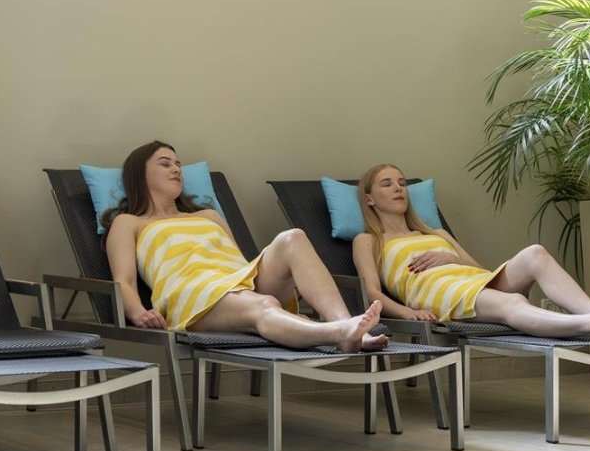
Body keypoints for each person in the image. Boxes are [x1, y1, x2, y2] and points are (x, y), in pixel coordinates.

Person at [104, 142, 387, 352]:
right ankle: (336, 332)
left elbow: (238, 263)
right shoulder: (129, 223)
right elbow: (124, 281)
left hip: (237, 283)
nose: (176, 169)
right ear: (139, 175)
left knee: (293, 237)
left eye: (178, 164)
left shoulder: (208, 216)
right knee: (264, 304)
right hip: (194, 296)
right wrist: (138, 312)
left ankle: (349, 329)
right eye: (165, 164)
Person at [351, 163, 590, 339]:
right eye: (387, 184)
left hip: (473, 282)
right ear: (369, 199)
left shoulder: (436, 233)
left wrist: (450, 257)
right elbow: (372, 292)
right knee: (512, 302)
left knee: (535, 253)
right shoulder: (368, 240)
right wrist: (406, 313)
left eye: (402, 183)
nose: (399, 188)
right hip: (437, 293)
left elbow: (479, 270)